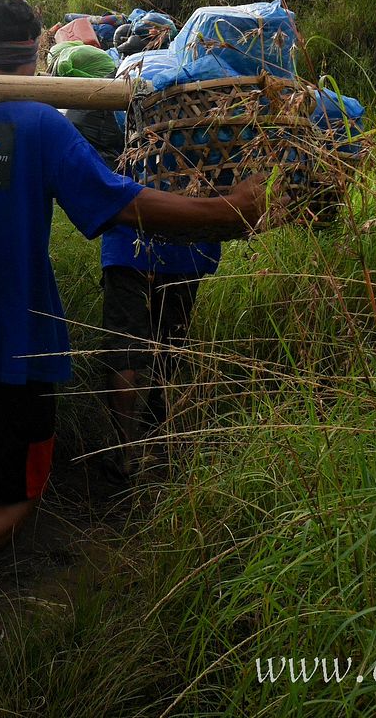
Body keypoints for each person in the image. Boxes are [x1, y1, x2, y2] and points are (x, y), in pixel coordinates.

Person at [0, 0, 272, 657]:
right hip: (11, 352)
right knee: (19, 495)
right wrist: (230, 213)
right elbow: (123, 207)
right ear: (32, 56)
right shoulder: (41, 123)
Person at [61, 101, 221, 483]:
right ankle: (159, 441)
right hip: (190, 245)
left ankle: (126, 451)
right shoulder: (206, 108)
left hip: (127, 246)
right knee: (170, 346)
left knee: (124, 346)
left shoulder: (116, 103)